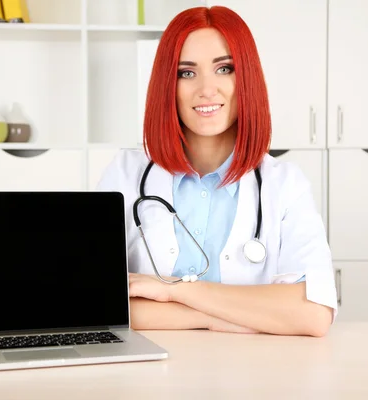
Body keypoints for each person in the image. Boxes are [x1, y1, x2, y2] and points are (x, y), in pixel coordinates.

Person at [96, 5, 337, 337]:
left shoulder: (285, 185)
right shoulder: (125, 174)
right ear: (168, 84)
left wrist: (174, 290)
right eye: (187, 72)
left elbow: (312, 313)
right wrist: (218, 318)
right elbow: (95, 303)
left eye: (224, 69)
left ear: (246, 78)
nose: (206, 89)